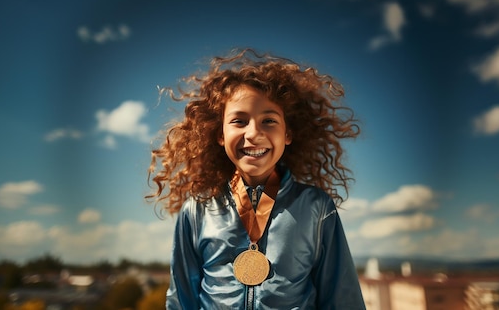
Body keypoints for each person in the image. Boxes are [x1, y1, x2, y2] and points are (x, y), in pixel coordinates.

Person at [148, 48, 366, 309]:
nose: (253, 133)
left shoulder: (317, 208)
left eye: (269, 121)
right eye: (239, 121)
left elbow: (343, 300)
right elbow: (181, 301)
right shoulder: (196, 210)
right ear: (219, 134)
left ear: (288, 134)